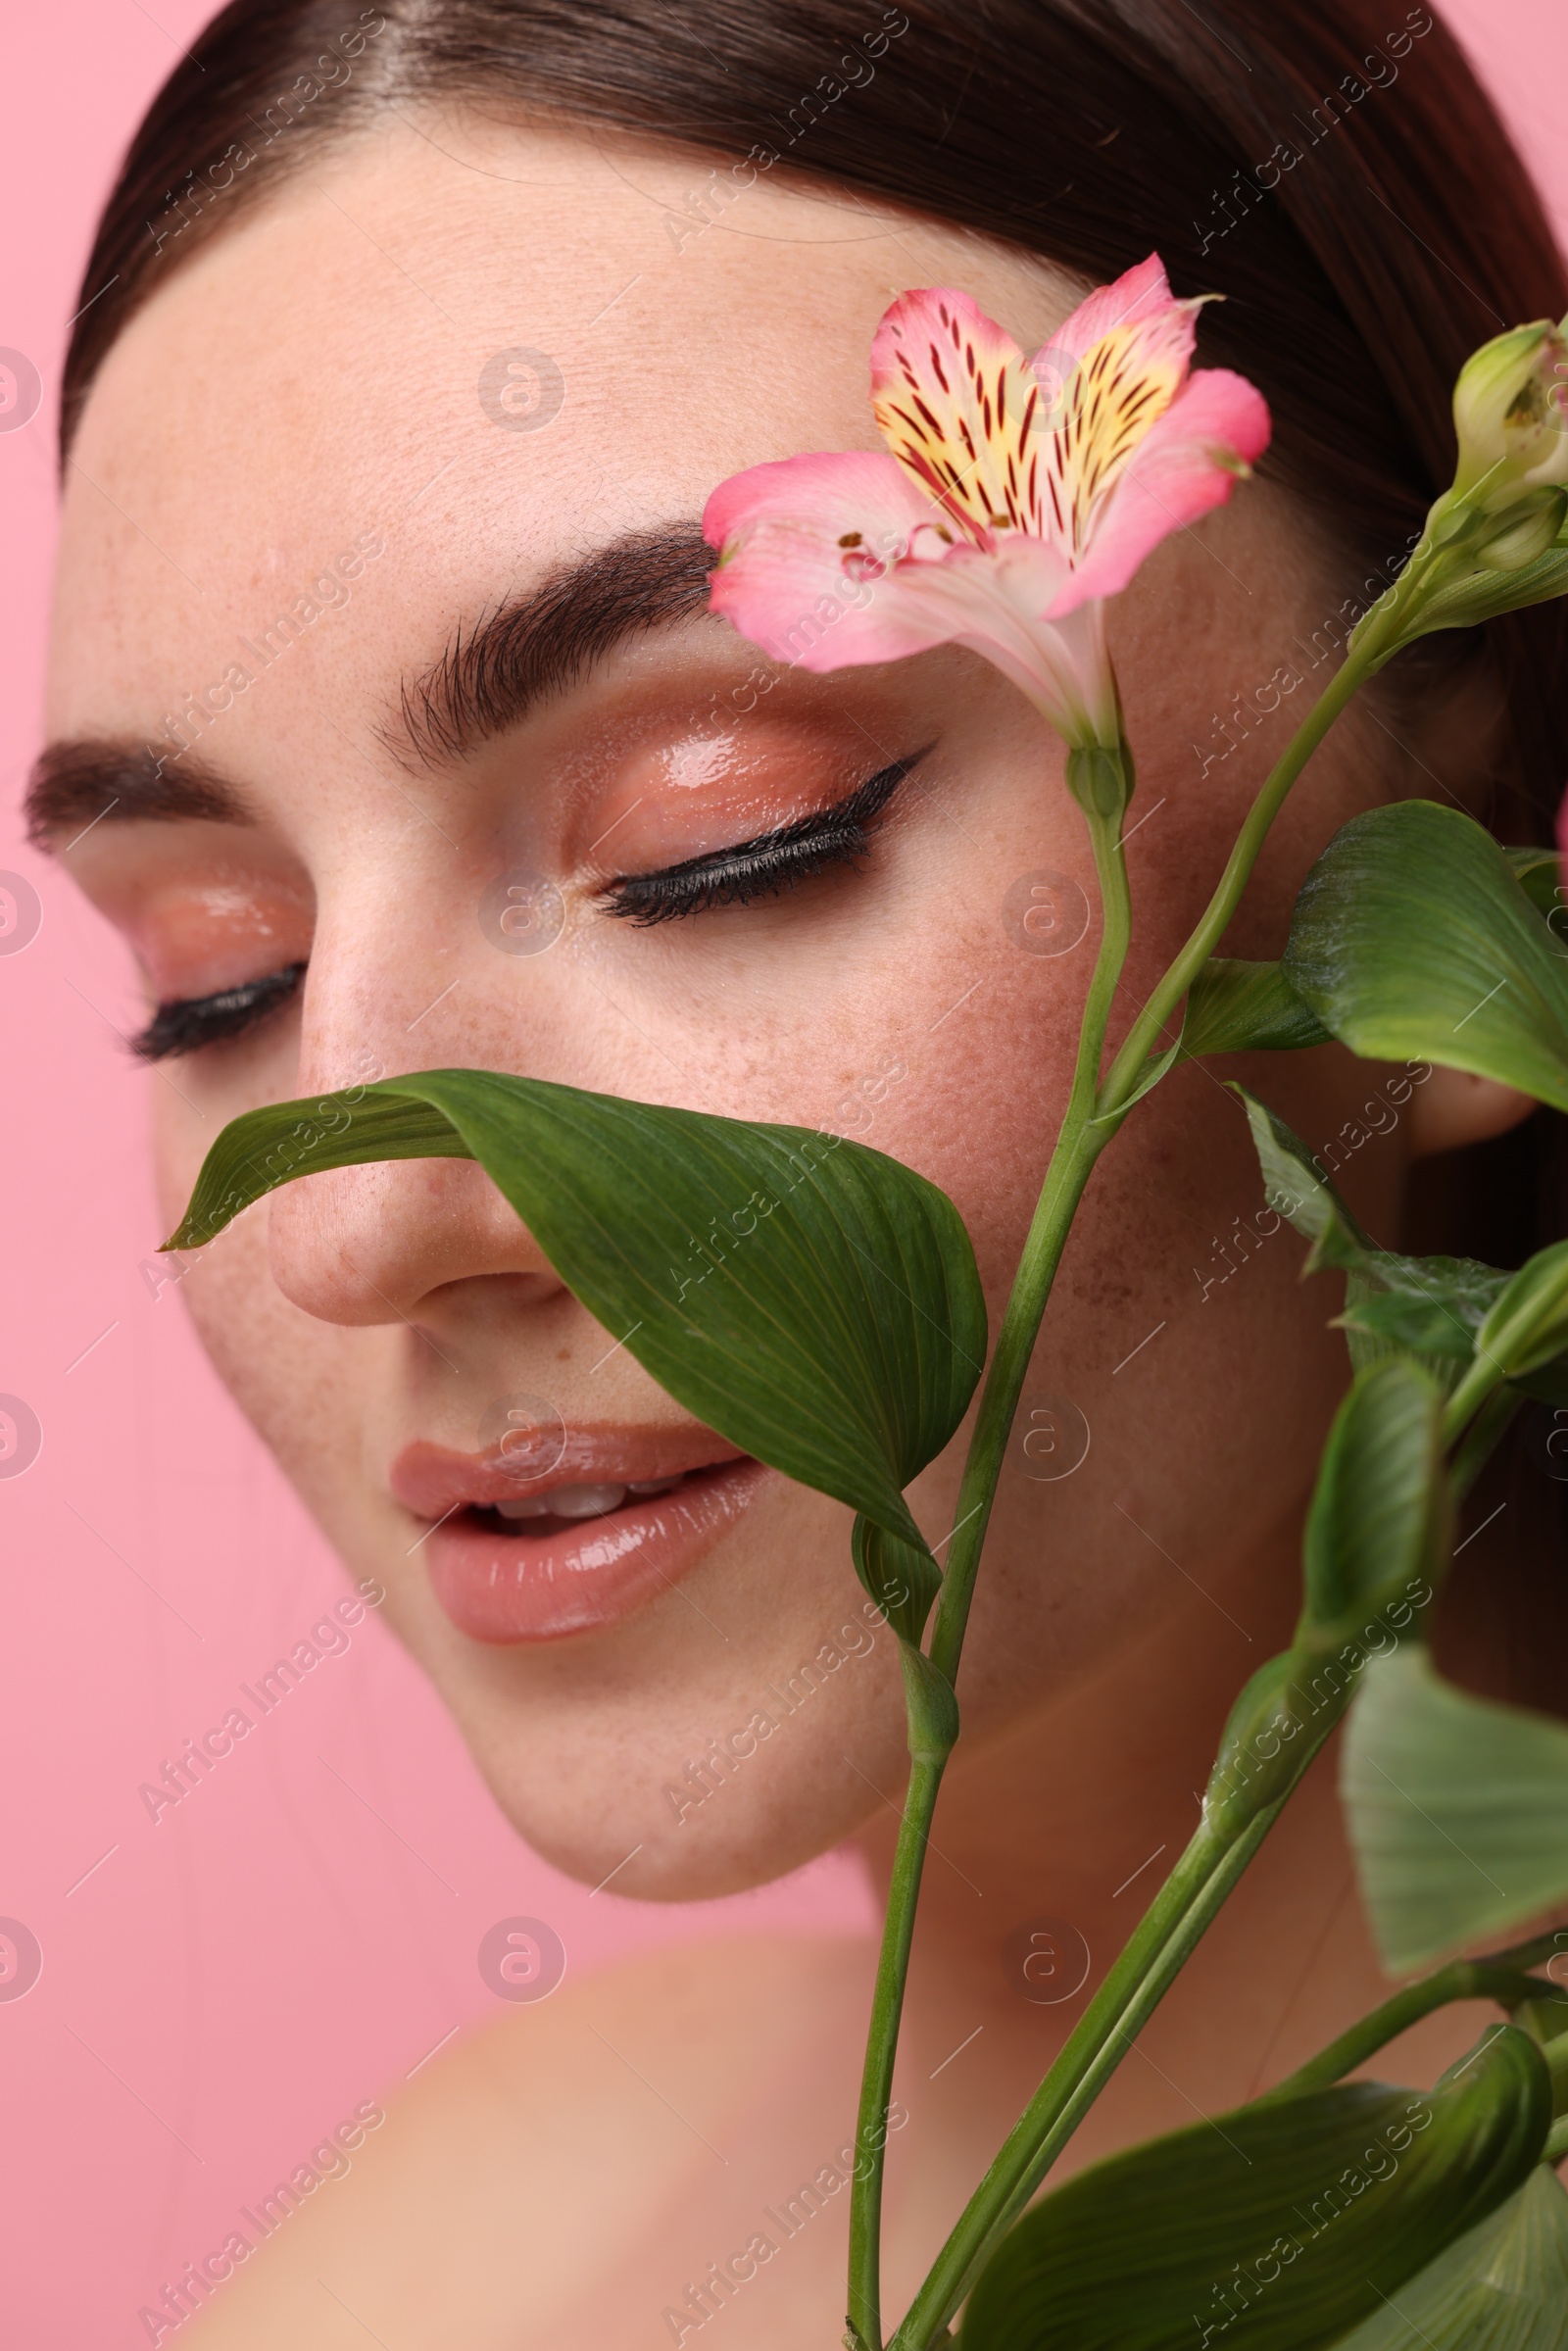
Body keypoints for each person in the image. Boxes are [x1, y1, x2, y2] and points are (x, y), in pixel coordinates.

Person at [32, 1, 1568, 2340]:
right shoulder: (458, 2252)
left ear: (1469, 877)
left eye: (725, 840)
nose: (350, 1223)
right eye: (215, 977)